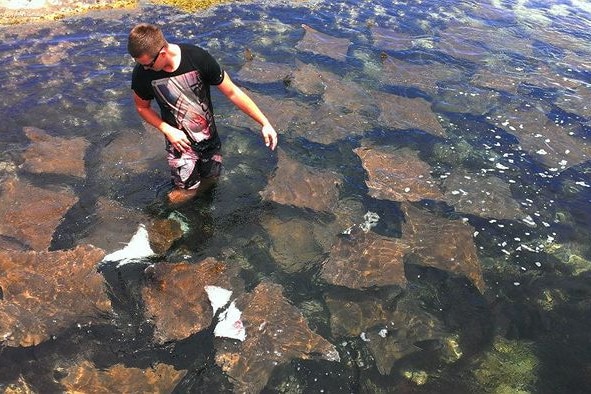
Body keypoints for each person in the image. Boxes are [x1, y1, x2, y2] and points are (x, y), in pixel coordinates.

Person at [127, 23, 278, 205]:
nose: (145, 69)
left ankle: (200, 222)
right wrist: (168, 130)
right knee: (185, 192)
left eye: (148, 64)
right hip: (180, 146)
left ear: (163, 53)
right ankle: (156, 223)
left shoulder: (197, 58)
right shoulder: (142, 74)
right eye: (140, 65)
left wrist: (264, 122)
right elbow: (142, 107)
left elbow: (232, 92)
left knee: (212, 179)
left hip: (210, 140)